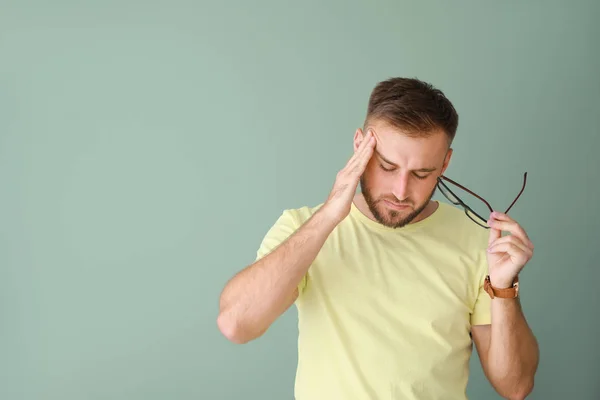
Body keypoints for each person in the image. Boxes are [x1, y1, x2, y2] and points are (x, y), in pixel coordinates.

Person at [217, 77, 539, 400]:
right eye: (387, 166)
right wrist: (329, 216)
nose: (400, 191)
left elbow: (516, 386)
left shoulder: (478, 240)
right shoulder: (302, 228)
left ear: (445, 164)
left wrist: (503, 289)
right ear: (360, 147)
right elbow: (236, 323)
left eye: (421, 174)